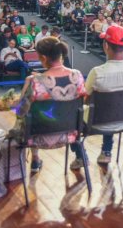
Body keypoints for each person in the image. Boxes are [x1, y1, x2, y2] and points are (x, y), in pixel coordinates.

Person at [69, 25, 123, 168]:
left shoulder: (97, 72)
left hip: (95, 123)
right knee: (113, 106)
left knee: (72, 114)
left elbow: (85, 98)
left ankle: (80, 156)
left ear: (106, 45)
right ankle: (106, 151)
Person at [9, 37, 86, 173]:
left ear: (43, 58)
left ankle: (35, 159)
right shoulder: (77, 76)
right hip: (70, 134)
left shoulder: (36, 82)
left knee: (31, 117)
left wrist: (25, 89)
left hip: (38, 138)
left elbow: (20, 111)